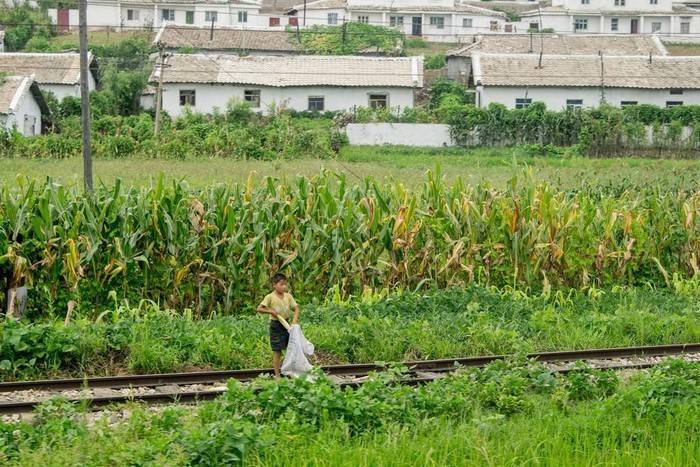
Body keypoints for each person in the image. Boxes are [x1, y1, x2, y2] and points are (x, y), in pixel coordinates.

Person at [257, 273, 299, 378]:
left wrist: (294, 321)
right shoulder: (270, 297)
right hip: (276, 325)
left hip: (287, 324)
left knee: (291, 348)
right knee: (278, 350)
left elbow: (296, 309)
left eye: (285, 284)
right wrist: (270, 312)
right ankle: (277, 374)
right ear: (274, 285)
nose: (284, 287)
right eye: (281, 284)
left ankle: (290, 371)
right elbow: (259, 309)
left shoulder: (288, 296)